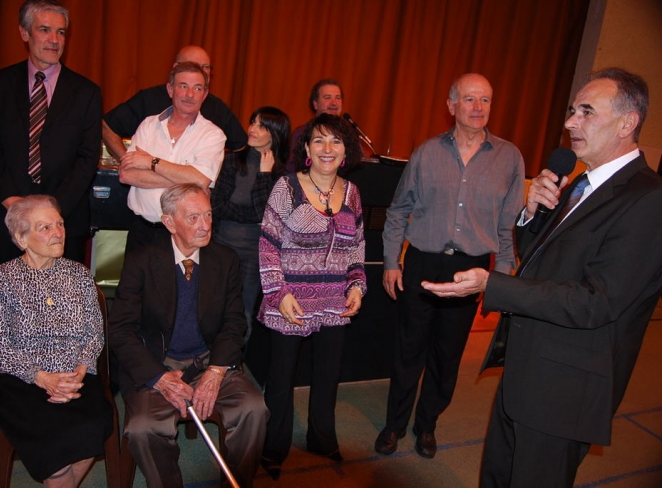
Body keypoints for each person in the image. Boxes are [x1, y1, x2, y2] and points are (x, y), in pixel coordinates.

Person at [423, 68, 662, 487]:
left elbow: (597, 301)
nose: (570, 122)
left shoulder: (648, 198)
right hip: (526, 369)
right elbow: (542, 261)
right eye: (572, 111)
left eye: (586, 112)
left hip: (565, 389)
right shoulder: (581, 184)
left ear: (628, 123)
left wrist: (490, 285)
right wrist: (531, 216)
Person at [375, 73, 525, 459]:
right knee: (408, 352)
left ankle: (427, 425)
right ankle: (394, 424)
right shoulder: (426, 152)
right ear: (451, 105)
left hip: (472, 271)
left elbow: (508, 226)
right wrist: (392, 261)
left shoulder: (510, 158)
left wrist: (502, 283)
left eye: (486, 100)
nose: (478, 108)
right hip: (421, 265)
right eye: (470, 99)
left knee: (447, 356)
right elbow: (398, 212)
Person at [108, 183, 268, 488]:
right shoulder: (142, 260)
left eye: (208, 215)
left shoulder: (225, 259)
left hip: (209, 361)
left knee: (254, 409)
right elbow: (121, 330)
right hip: (158, 365)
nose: (205, 226)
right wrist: (159, 378)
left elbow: (235, 324)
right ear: (169, 222)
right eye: (193, 218)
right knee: (143, 429)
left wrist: (216, 372)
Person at [258, 113, 367, 479]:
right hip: (290, 301)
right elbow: (268, 246)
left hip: (335, 303)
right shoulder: (287, 188)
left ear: (345, 150)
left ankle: (322, 437)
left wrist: (356, 284)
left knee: (327, 376)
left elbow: (356, 248)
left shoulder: (352, 193)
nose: (327, 148)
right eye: (319, 140)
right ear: (306, 148)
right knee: (281, 378)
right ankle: (273, 448)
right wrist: (279, 293)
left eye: (336, 141)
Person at [0, 194, 112, 486]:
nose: (58, 233)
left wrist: (82, 367)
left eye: (60, 224)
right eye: (45, 228)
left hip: (76, 376)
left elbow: (94, 331)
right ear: (21, 237)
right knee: (54, 447)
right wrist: (41, 378)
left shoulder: (78, 275)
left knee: (94, 425)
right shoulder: (2, 280)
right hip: (22, 381)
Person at [0, 0, 101, 265]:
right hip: (11, 218)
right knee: (13, 300)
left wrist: (51, 212)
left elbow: (87, 157)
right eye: (45, 30)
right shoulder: (0, 84)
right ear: (24, 33)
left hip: (64, 219)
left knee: (63, 304)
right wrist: (13, 203)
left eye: (60, 32)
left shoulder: (87, 92)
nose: (54, 40)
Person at [119, 61, 226, 253]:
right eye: (183, 86)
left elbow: (200, 179)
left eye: (197, 88)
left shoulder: (213, 135)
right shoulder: (148, 125)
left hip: (183, 236)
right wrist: (184, 177)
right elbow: (127, 175)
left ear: (205, 94)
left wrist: (150, 162)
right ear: (170, 89)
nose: (190, 94)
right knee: (133, 284)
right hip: (140, 230)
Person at [211, 106, 290, 346]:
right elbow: (217, 205)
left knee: (242, 313)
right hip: (220, 245)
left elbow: (265, 214)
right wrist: (250, 215)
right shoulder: (232, 160)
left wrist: (264, 176)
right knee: (211, 308)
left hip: (253, 255)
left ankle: (231, 368)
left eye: (261, 125)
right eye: (252, 122)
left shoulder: (281, 174)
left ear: (275, 134)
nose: (252, 129)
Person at [102, 44, 246, 160]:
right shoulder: (149, 103)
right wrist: (126, 161)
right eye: (193, 66)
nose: (200, 72)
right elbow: (106, 127)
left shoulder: (217, 108)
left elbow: (241, 147)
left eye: (206, 67)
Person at [286, 79, 343, 172]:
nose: (334, 103)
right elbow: (291, 168)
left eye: (338, 98)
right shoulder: (302, 133)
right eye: (327, 97)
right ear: (315, 104)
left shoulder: (349, 134)